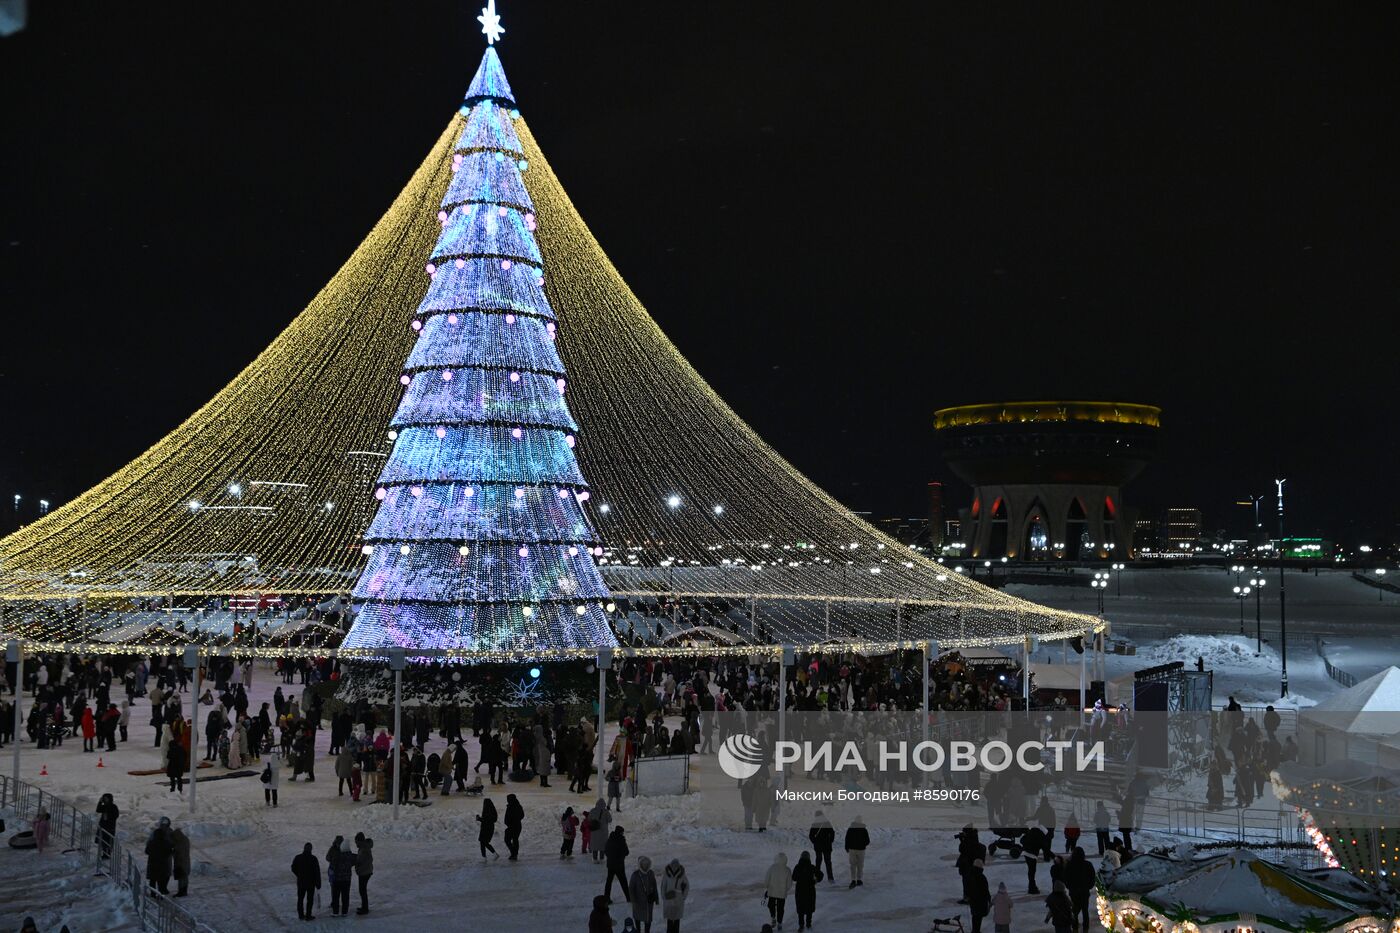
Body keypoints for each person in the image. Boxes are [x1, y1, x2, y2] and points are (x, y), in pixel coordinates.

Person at [1064, 845, 1097, 931]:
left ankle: (1075, 927)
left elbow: (1066, 878)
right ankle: (1085, 929)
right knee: (1085, 911)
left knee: (1075, 910)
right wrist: (1089, 886)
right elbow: (1092, 877)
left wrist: (1069, 887)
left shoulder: (1070, 865)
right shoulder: (1088, 864)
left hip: (1073, 891)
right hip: (1084, 891)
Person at [326, 835, 356, 916]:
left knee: (336, 896)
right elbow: (353, 861)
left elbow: (328, 859)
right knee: (345, 895)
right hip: (346, 878)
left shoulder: (334, 851)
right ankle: (344, 912)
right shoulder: (348, 852)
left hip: (337, 878)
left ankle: (335, 912)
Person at [790, 850, 821, 931]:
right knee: (809, 907)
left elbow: (793, 878)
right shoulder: (812, 867)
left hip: (800, 890)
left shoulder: (797, 867)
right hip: (810, 890)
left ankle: (801, 925)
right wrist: (816, 880)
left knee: (800, 908)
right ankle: (808, 924)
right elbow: (821, 875)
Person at [629, 854, 660, 933]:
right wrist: (634, 901)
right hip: (638, 903)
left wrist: (656, 898)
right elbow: (631, 890)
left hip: (648, 903)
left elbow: (654, 886)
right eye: (644, 864)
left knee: (648, 920)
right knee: (638, 920)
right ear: (640, 864)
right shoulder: (635, 875)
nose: (645, 865)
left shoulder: (651, 873)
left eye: (647, 864)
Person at [292, 842, 321, 921]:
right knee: (309, 900)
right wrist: (318, 883)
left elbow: (293, 868)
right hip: (310, 883)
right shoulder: (313, 859)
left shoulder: (298, 857)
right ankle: (308, 915)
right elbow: (317, 872)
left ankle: (301, 915)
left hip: (301, 882)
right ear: (311, 849)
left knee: (300, 899)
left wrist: (299, 874)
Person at [146, 817, 174, 894]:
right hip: (164, 860)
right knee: (163, 876)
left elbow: (147, 849)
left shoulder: (168, 832)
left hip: (154, 861)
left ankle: (155, 892)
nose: (164, 826)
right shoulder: (167, 836)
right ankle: (161, 890)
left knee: (156, 877)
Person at [661, 858, 689, 933]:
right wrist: (664, 897)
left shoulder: (682, 875)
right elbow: (663, 886)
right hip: (669, 900)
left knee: (677, 921)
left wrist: (683, 897)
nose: (674, 867)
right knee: (669, 920)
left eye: (676, 866)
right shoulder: (666, 874)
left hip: (678, 901)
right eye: (673, 866)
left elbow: (687, 886)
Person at [604, 826, 631, 902]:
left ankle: (606, 898)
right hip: (619, 865)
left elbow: (606, 851)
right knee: (623, 882)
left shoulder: (610, 839)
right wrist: (621, 856)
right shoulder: (621, 840)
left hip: (610, 865)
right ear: (620, 832)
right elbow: (626, 852)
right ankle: (628, 898)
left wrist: (611, 857)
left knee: (609, 882)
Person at [764, 852, 791, 929]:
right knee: (781, 908)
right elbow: (789, 884)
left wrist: (766, 887)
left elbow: (766, 879)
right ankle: (779, 923)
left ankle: (773, 917)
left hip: (772, 891)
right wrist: (785, 889)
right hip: (782, 893)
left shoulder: (772, 867)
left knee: (771, 905)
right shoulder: (787, 870)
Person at [808, 810, 836, 882]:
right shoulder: (827, 822)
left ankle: (817, 877)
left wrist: (814, 841)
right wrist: (830, 841)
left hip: (818, 846)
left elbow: (811, 835)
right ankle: (830, 878)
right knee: (828, 862)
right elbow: (832, 833)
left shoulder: (815, 824)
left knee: (818, 862)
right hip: (827, 846)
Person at [844, 815, 870, 888]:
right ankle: (859, 880)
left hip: (852, 849)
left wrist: (847, 847)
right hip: (861, 850)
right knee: (860, 865)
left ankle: (853, 880)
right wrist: (863, 844)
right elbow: (867, 841)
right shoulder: (864, 830)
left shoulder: (850, 829)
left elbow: (847, 839)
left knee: (852, 865)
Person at [966, 858, 990, 933]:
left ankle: (974, 930)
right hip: (980, 901)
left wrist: (968, 896)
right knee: (979, 917)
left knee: (974, 916)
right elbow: (985, 890)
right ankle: (976, 931)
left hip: (973, 900)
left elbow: (967, 887)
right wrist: (988, 898)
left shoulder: (970, 875)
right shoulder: (981, 877)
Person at [354, 832, 374, 915]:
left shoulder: (364, 849)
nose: (355, 843)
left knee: (362, 890)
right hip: (366, 871)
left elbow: (361, 860)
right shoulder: (364, 847)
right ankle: (364, 907)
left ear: (360, 841)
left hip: (364, 872)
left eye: (356, 842)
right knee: (362, 890)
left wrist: (355, 862)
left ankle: (365, 908)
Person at [96, 793, 119, 861]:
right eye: (104, 798)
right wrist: (100, 802)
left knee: (109, 841)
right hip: (103, 826)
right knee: (103, 841)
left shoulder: (114, 806)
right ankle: (104, 853)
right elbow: (98, 810)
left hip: (110, 827)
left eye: (106, 798)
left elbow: (116, 815)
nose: (105, 800)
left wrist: (108, 817)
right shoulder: (104, 806)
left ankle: (108, 854)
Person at [171, 824, 191, 897]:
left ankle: (181, 892)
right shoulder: (185, 839)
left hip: (181, 862)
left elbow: (178, 852)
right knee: (184, 877)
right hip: (185, 862)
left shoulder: (180, 842)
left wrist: (173, 852)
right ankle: (184, 891)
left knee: (181, 878)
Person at [504, 793, 524, 860]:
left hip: (515, 826)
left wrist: (514, 820)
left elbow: (521, 815)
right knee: (511, 840)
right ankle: (514, 853)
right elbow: (522, 815)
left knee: (512, 840)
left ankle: (514, 854)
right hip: (514, 826)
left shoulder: (516, 806)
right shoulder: (512, 806)